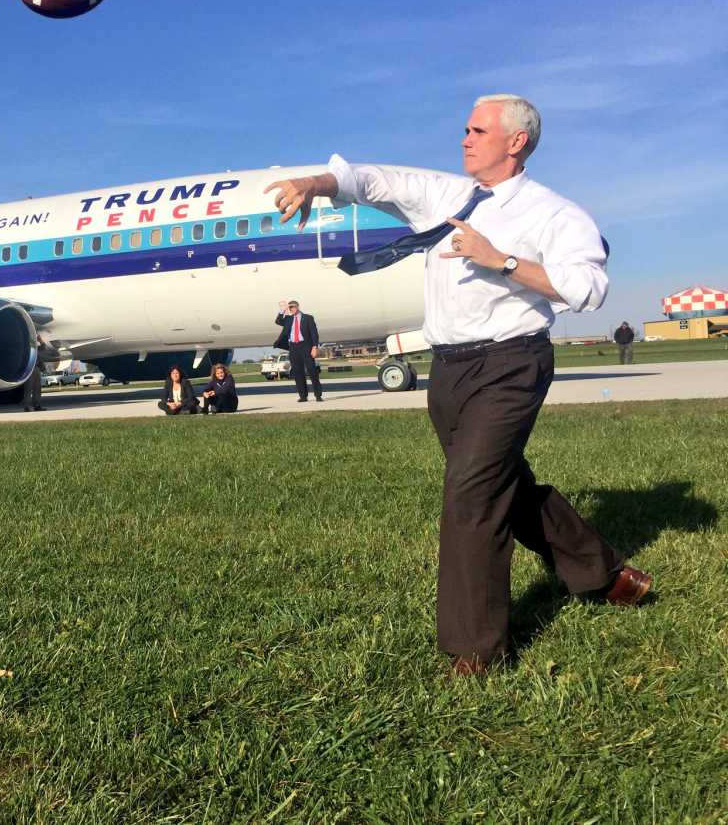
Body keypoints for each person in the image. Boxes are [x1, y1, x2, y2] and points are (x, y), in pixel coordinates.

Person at [265, 94, 652, 674]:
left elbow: (587, 287)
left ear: (515, 142)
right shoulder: (448, 194)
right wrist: (318, 182)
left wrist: (503, 261)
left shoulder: (555, 213)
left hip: (511, 364)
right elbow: (375, 179)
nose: (465, 138)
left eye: (477, 130)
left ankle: (476, 651)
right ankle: (601, 572)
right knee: (502, 488)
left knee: (470, 494)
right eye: (466, 129)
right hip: (449, 370)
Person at [273, 300, 322, 402]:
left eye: (293, 307)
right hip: (293, 347)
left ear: (298, 306)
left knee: (312, 371)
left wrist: (314, 347)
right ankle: (303, 396)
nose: (292, 309)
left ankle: (318, 395)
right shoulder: (288, 319)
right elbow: (278, 321)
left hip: (305, 346)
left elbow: (314, 333)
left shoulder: (308, 318)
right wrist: (283, 310)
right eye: (290, 307)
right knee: (297, 372)